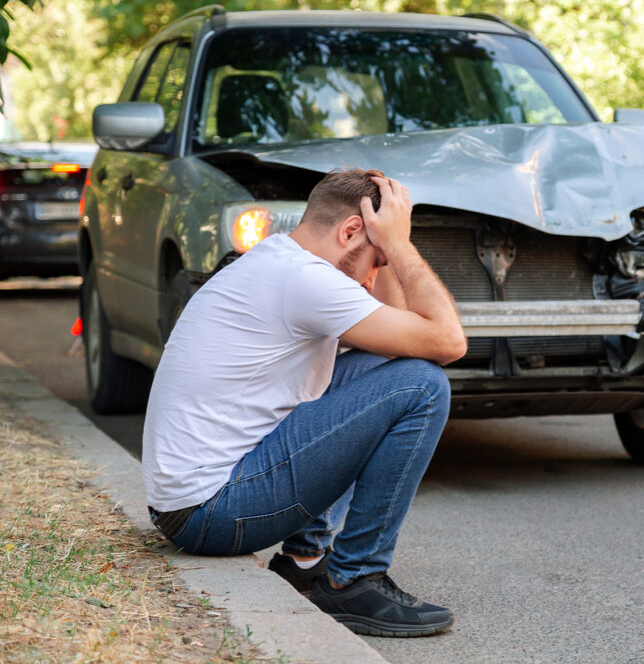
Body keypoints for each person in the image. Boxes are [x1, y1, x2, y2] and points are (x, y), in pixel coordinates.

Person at [141, 168, 467, 637]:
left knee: (383, 369)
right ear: (351, 231)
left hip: (196, 501)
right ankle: (354, 580)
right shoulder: (305, 281)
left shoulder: (281, 261)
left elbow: (402, 342)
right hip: (208, 513)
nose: (374, 281)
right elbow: (447, 342)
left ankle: (305, 561)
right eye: (375, 260)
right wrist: (399, 244)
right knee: (422, 385)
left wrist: (387, 251)